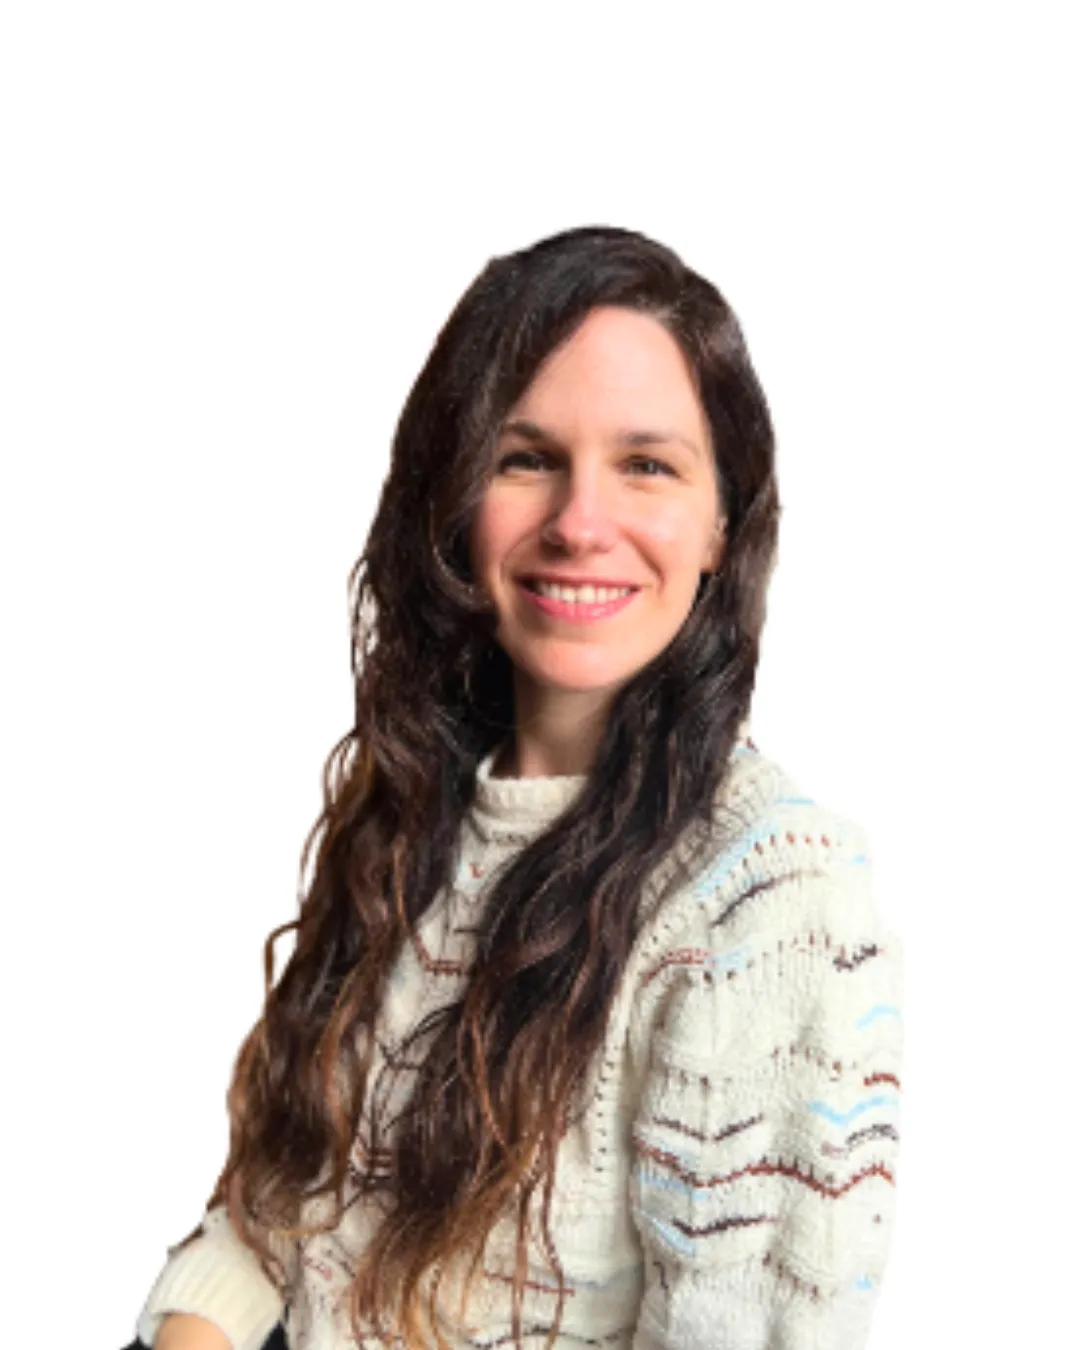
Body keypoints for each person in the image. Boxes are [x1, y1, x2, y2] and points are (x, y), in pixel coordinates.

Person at [132, 225, 904, 1350]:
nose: (580, 523)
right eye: (526, 456)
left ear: (720, 524)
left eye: (647, 464)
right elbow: (266, 1225)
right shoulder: (409, 803)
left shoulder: (772, 900)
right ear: (455, 497)